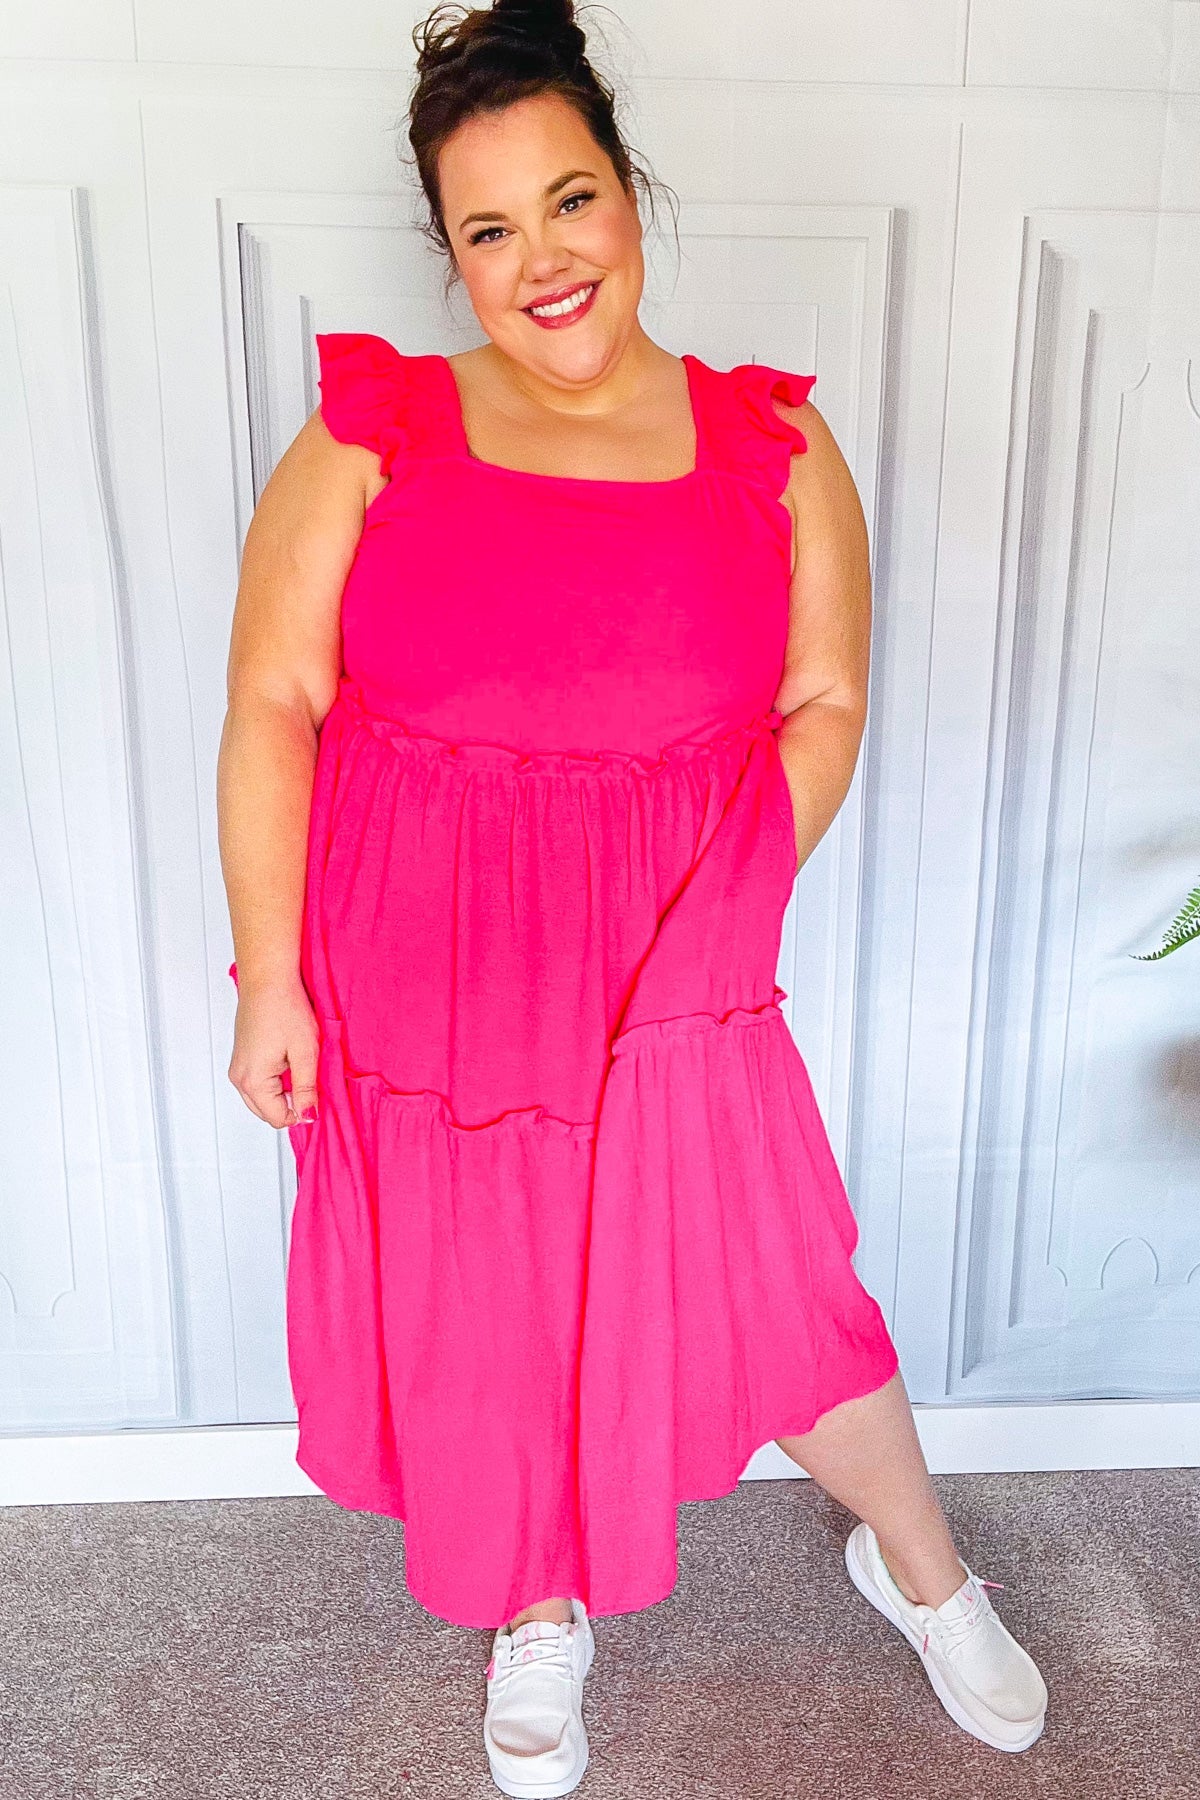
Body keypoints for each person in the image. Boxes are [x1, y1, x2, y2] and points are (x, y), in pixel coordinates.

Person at [216, 0, 1049, 1790]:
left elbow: (825, 702)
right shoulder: (374, 431)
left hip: (678, 968)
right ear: (451, 256)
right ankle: (536, 1604)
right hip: (428, 974)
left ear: (629, 192)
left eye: (570, 199)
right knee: (492, 1300)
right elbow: (274, 699)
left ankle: (924, 1571)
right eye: (488, 229)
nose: (542, 260)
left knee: (782, 1288)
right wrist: (268, 974)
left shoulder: (771, 445)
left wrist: (723, 910)